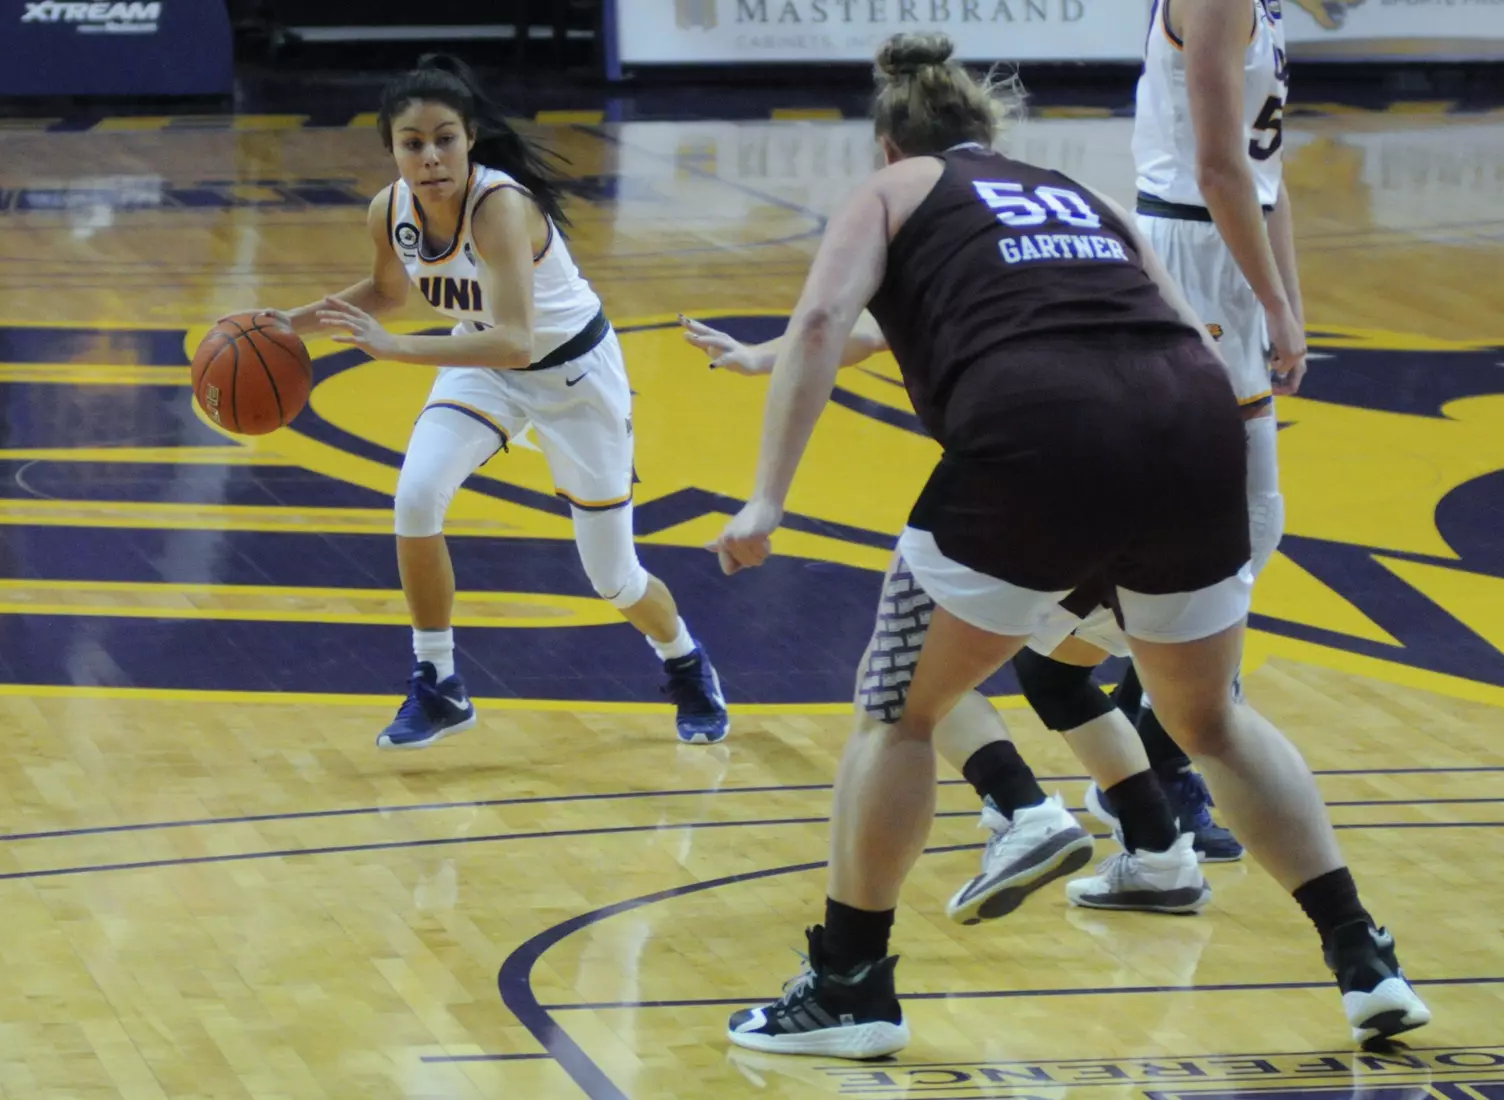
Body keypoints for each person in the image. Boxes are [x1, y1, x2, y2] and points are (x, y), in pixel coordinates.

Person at [710, 32, 1429, 1059]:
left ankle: (848, 984)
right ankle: (1364, 955)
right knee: (1211, 718)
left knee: (898, 706)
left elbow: (827, 313)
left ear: (888, 145)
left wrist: (765, 499)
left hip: (1043, 431)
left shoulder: (892, 190)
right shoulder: (1074, 196)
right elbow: (1192, 335)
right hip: (1194, 425)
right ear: (987, 135)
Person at [232, 54, 730, 748]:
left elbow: (517, 341)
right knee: (415, 497)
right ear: (392, 150)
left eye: (445, 139)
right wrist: (286, 324)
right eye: (413, 143)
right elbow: (385, 295)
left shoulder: (501, 207)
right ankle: (438, 683)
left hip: (573, 376)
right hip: (483, 365)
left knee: (613, 578)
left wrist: (398, 349)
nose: (430, 156)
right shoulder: (391, 210)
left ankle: (683, 660)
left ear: (469, 140)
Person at [684, 313, 1218, 919]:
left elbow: (833, 328)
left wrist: (764, 485)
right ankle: (1160, 856)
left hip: (1059, 474)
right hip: (1186, 486)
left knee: (903, 675)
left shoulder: (940, 248)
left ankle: (1024, 811)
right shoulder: (1076, 251)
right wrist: (758, 356)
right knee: (1056, 676)